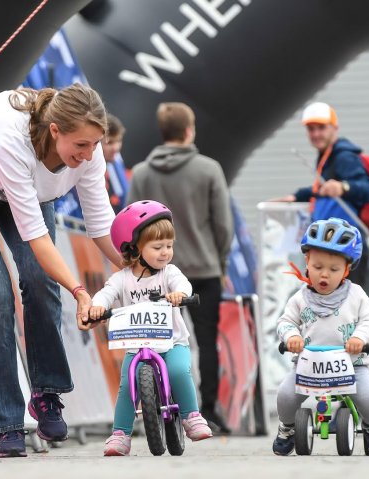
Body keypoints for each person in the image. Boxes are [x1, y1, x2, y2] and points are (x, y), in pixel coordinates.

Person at [0, 83, 123, 458]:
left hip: (27, 195)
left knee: (39, 282)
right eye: (80, 146)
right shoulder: (11, 136)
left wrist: (138, 267)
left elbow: (101, 224)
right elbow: (36, 238)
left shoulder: (90, 152)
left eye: (94, 145)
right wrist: (80, 292)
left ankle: (46, 393)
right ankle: (7, 425)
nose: (87, 155)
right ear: (55, 131)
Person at [126, 102, 234, 434]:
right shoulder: (209, 169)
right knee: (204, 342)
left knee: (156, 341)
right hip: (202, 271)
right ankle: (208, 411)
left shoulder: (142, 173)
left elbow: (130, 221)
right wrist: (220, 261)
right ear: (189, 131)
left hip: (154, 275)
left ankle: (157, 405)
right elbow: (223, 225)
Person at [84, 200, 213, 455]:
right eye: (157, 247)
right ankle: (121, 433)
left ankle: (191, 416)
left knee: (178, 370)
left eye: (169, 245)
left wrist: (179, 294)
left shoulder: (168, 273)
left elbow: (183, 285)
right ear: (134, 248)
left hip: (172, 342)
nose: (165, 252)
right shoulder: (122, 279)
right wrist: (97, 307)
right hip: (137, 345)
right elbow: (105, 294)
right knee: (126, 385)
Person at [272, 217, 369, 456]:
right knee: (285, 394)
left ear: (346, 269)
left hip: (351, 363)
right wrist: (292, 336)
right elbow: (286, 321)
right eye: (317, 267)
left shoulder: (355, 295)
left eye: (334, 269)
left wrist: (360, 338)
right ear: (306, 262)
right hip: (308, 365)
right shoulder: (300, 298)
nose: (324, 275)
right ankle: (288, 427)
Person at [275, 102, 369, 288]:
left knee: (347, 311)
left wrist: (344, 187)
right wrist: (298, 196)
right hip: (333, 248)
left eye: (321, 128)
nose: (315, 134)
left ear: (334, 128)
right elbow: (323, 189)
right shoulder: (327, 157)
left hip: (346, 249)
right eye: (311, 129)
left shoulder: (344, 157)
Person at [54, 113, 129, 219]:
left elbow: (124, 197)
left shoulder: (116, 161)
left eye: (119, 141)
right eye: (110, 143)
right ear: (96, 143)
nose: (116, 148)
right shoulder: (78, 162)